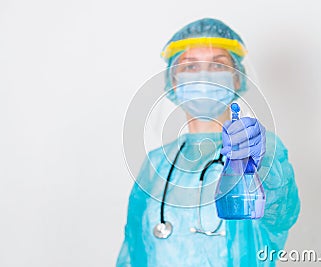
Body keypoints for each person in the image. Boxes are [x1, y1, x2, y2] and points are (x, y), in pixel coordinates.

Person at [116, 18, 300, 267]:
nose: (204, 75)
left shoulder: (257, 151)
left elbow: (281, 214)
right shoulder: (158, 163)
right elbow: (134, 247)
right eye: (190, 67)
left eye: (218, 65)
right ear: (173, 81)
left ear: (237, 79)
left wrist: (260, 165)